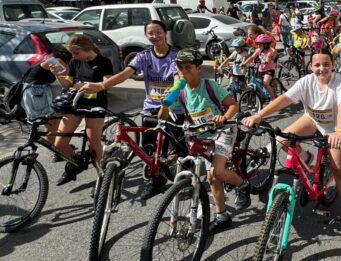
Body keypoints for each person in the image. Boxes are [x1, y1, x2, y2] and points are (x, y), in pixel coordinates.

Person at [242, 48, 341, 234]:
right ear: (311, 66)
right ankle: (306, 158)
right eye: (317, 65)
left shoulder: (340, 82)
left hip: (335, 127)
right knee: (282, 140)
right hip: (313, 119)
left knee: (339, 169)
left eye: (326, 64)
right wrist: (259, 115)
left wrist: (338, 132)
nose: (322, 68)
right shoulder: (306, 82)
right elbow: (284, 99)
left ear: (333, 65)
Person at [81, 20, 184, 198]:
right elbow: (125, 74)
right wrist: (101, 86)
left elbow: (179, 77)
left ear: (165, 33)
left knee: (179, 148)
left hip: (174, 108)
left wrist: (171, 94)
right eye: (151, 33)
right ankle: (155, 179)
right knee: (149, 148)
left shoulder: (176, 55)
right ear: (146, 35)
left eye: (158, 32)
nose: (155, 36)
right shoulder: (143, 56)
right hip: (151, 107)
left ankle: (184, 180)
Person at [158, 47, 249, 235]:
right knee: (212, 177)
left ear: (199, 68)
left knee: (217, 171)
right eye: (180, 68)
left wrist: (223, 118)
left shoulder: (209, 86)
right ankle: (222, 215)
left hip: (222, 131)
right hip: (200, 136)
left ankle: (242, 184)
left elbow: (232, 106)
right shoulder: (181, 92)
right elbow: (163, 116)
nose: (184, 72)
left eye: (188, 67)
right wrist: (165, 104)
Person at [52, 34, 114, 185]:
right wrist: (58, 75)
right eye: (72, 53)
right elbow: (69, 85)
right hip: (75, 103)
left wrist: (87, 85)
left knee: (93, 144)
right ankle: (75, 165)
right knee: (59, 144)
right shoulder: (75, 61)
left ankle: (103, 178)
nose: (73, 56)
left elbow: (109, 83)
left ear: (87, 49)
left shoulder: (103, 61)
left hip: (95, 105)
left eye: (76, 52)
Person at [22, 46, 72, 150]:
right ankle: (58, 149)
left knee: (50, 123)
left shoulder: (49, 58)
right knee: (52, 122)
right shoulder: (54, 60)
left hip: (35, 91)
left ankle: (56, 149)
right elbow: (65, 72)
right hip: (37, 93)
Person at [242, 34, 277, 99]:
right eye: (258, 44)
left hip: (269, 69)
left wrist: (266, 61)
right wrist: (244, 63)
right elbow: (252, 57)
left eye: (260, 44)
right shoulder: (258, 50)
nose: (258, 46)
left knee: (265, 84)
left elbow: (268, 58)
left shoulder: (270, 51)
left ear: (265, 45)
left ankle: (273, 99)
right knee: (257, 85)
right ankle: (260, 99)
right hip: (261, 70)